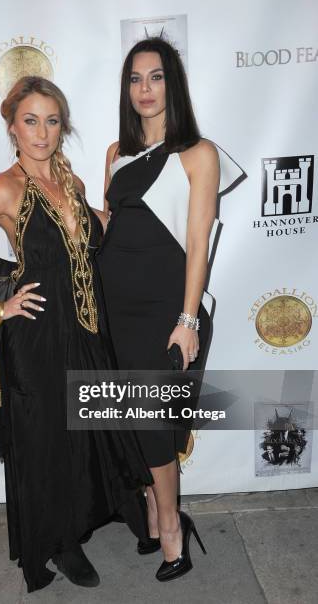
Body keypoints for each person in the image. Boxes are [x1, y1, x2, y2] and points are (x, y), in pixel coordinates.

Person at [0, 76, 153, 593]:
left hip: (88, 331)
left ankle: (121, 510)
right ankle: (60, 543)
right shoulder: (6, 188)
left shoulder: (70, 183)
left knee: (94, 428)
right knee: (50, 442)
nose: (42, 132)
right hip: (39, 338)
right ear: (12, 127)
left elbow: (99, 232)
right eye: (31, 121)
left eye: (52, 121)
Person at [96, 37, 245, 582]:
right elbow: (112, 226)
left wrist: (187, 320)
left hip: (164, 310)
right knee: (133, 418)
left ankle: (172, 527)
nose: (145, 89)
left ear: (173, 84)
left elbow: (198, 242)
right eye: (135, 79)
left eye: (156, 77)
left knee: (155, 420)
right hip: (115, 306)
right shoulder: (115, 153)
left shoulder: (197, 154)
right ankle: (160, 514)